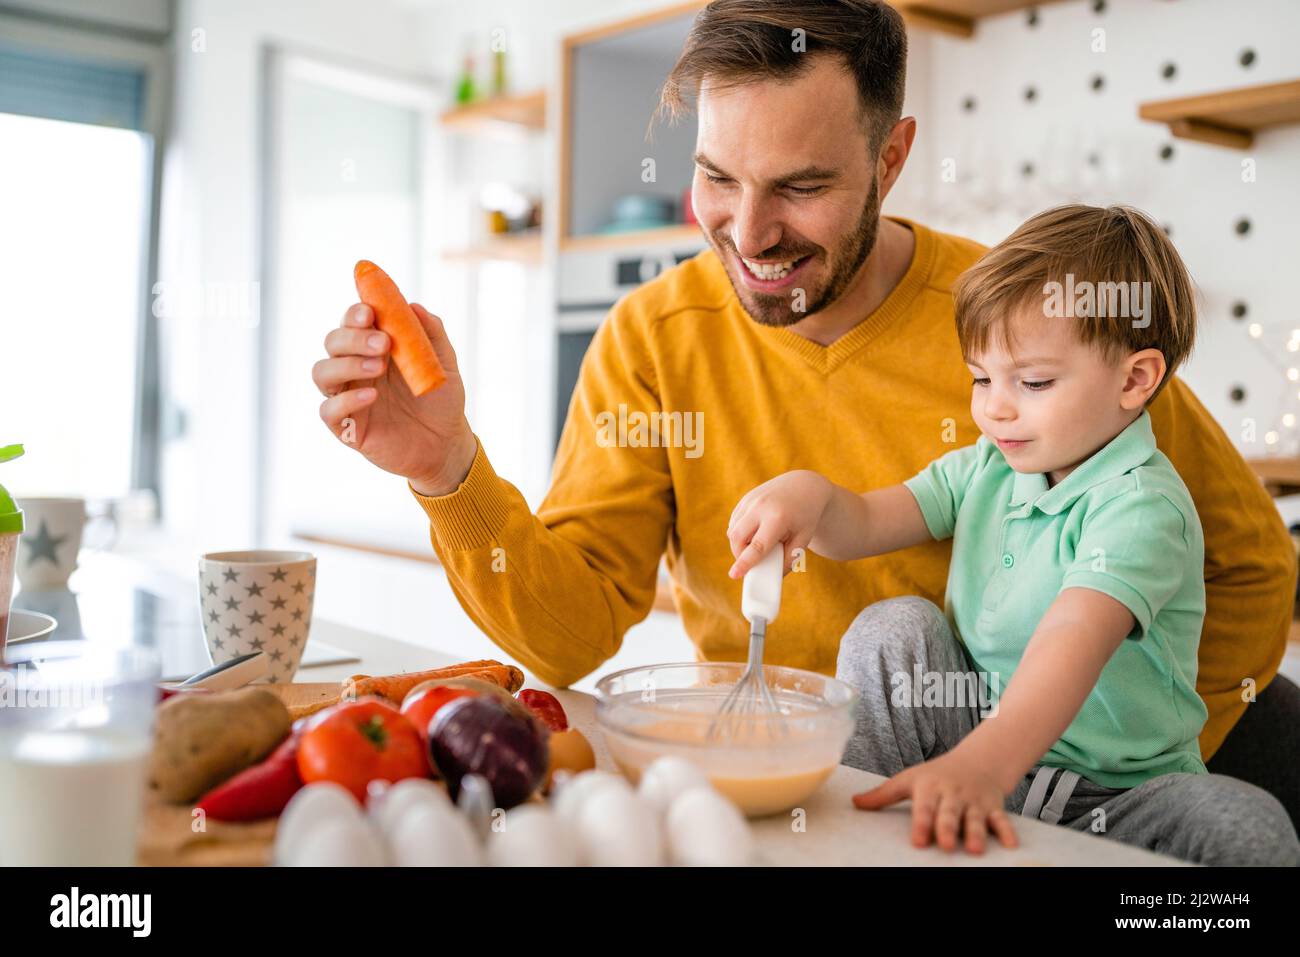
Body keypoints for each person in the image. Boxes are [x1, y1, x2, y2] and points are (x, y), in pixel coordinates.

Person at [311, 0, 1299, 830]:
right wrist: (447, 469)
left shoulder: (1030, 335)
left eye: (801, 186)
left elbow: (1251, 563)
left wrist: (1113, 766)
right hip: (790, 799)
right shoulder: (651, 340)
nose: (748, 234)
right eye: (716, 179)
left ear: (892, 156)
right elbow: (569, 641)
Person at [725, 204, 1298, 864]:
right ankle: (857, 835)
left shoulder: (1143, 507)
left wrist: (986, 764)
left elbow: (1072, 637)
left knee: (1247, 827)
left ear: (1134, 380)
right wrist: (813, 498)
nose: (995, 405)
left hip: (1114, 799)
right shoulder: (988, 466)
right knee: (896, 626)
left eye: (1031, 381)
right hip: (975, 752)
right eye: (980, 378)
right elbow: (868, 521)